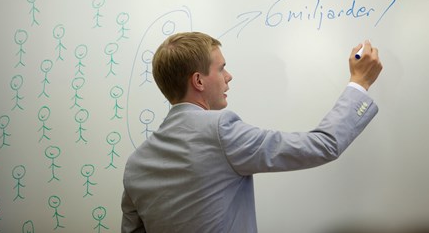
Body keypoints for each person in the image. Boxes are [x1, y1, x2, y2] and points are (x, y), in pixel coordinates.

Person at [121, 32, 382, 233]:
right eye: (221, 68)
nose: (229, 76)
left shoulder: (136, 165)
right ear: (198, 81)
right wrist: (359, 83)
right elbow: (324, 145)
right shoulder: (220, 132)